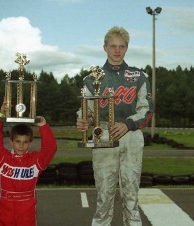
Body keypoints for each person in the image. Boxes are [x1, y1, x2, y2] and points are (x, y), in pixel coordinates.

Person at [76, 26, 154, 226]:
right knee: (104, 195)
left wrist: (128, 125)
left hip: (131, 135)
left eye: (121, 46)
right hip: (102, 134)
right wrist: (83, 119)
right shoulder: (91, 78)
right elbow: (87, 110)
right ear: (105, 47)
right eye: (113, 46)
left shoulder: (139, 76)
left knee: (131, 196)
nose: (117, 50)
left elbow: (147, 110)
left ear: (127, 48)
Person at [0, 100, 57, 226]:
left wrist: (43, 126)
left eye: (25, 142)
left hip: (27, 211)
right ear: (11, 142)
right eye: (18, 141)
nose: (21, 145)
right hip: (6, 211)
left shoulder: (36, 161)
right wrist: (0, 118)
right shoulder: (3, 159)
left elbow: (50, 148)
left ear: (30, 143)